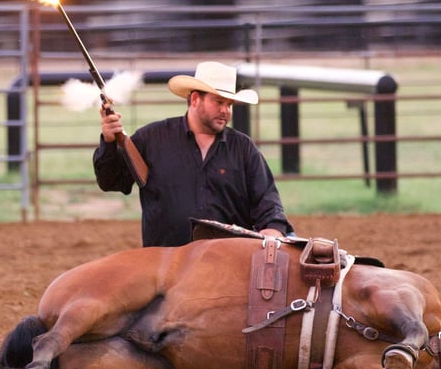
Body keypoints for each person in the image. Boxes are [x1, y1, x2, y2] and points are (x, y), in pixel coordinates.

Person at [93, 61, 294, 247]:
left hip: (227, 264)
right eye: (219, 102)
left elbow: (268, 205)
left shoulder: (243, 149)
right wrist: (109, 142)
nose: (226, 110)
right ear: (196, 99)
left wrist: (272, 232)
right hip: (165, 265)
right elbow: (112, 181)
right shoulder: (151, 138)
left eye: (229, 104)